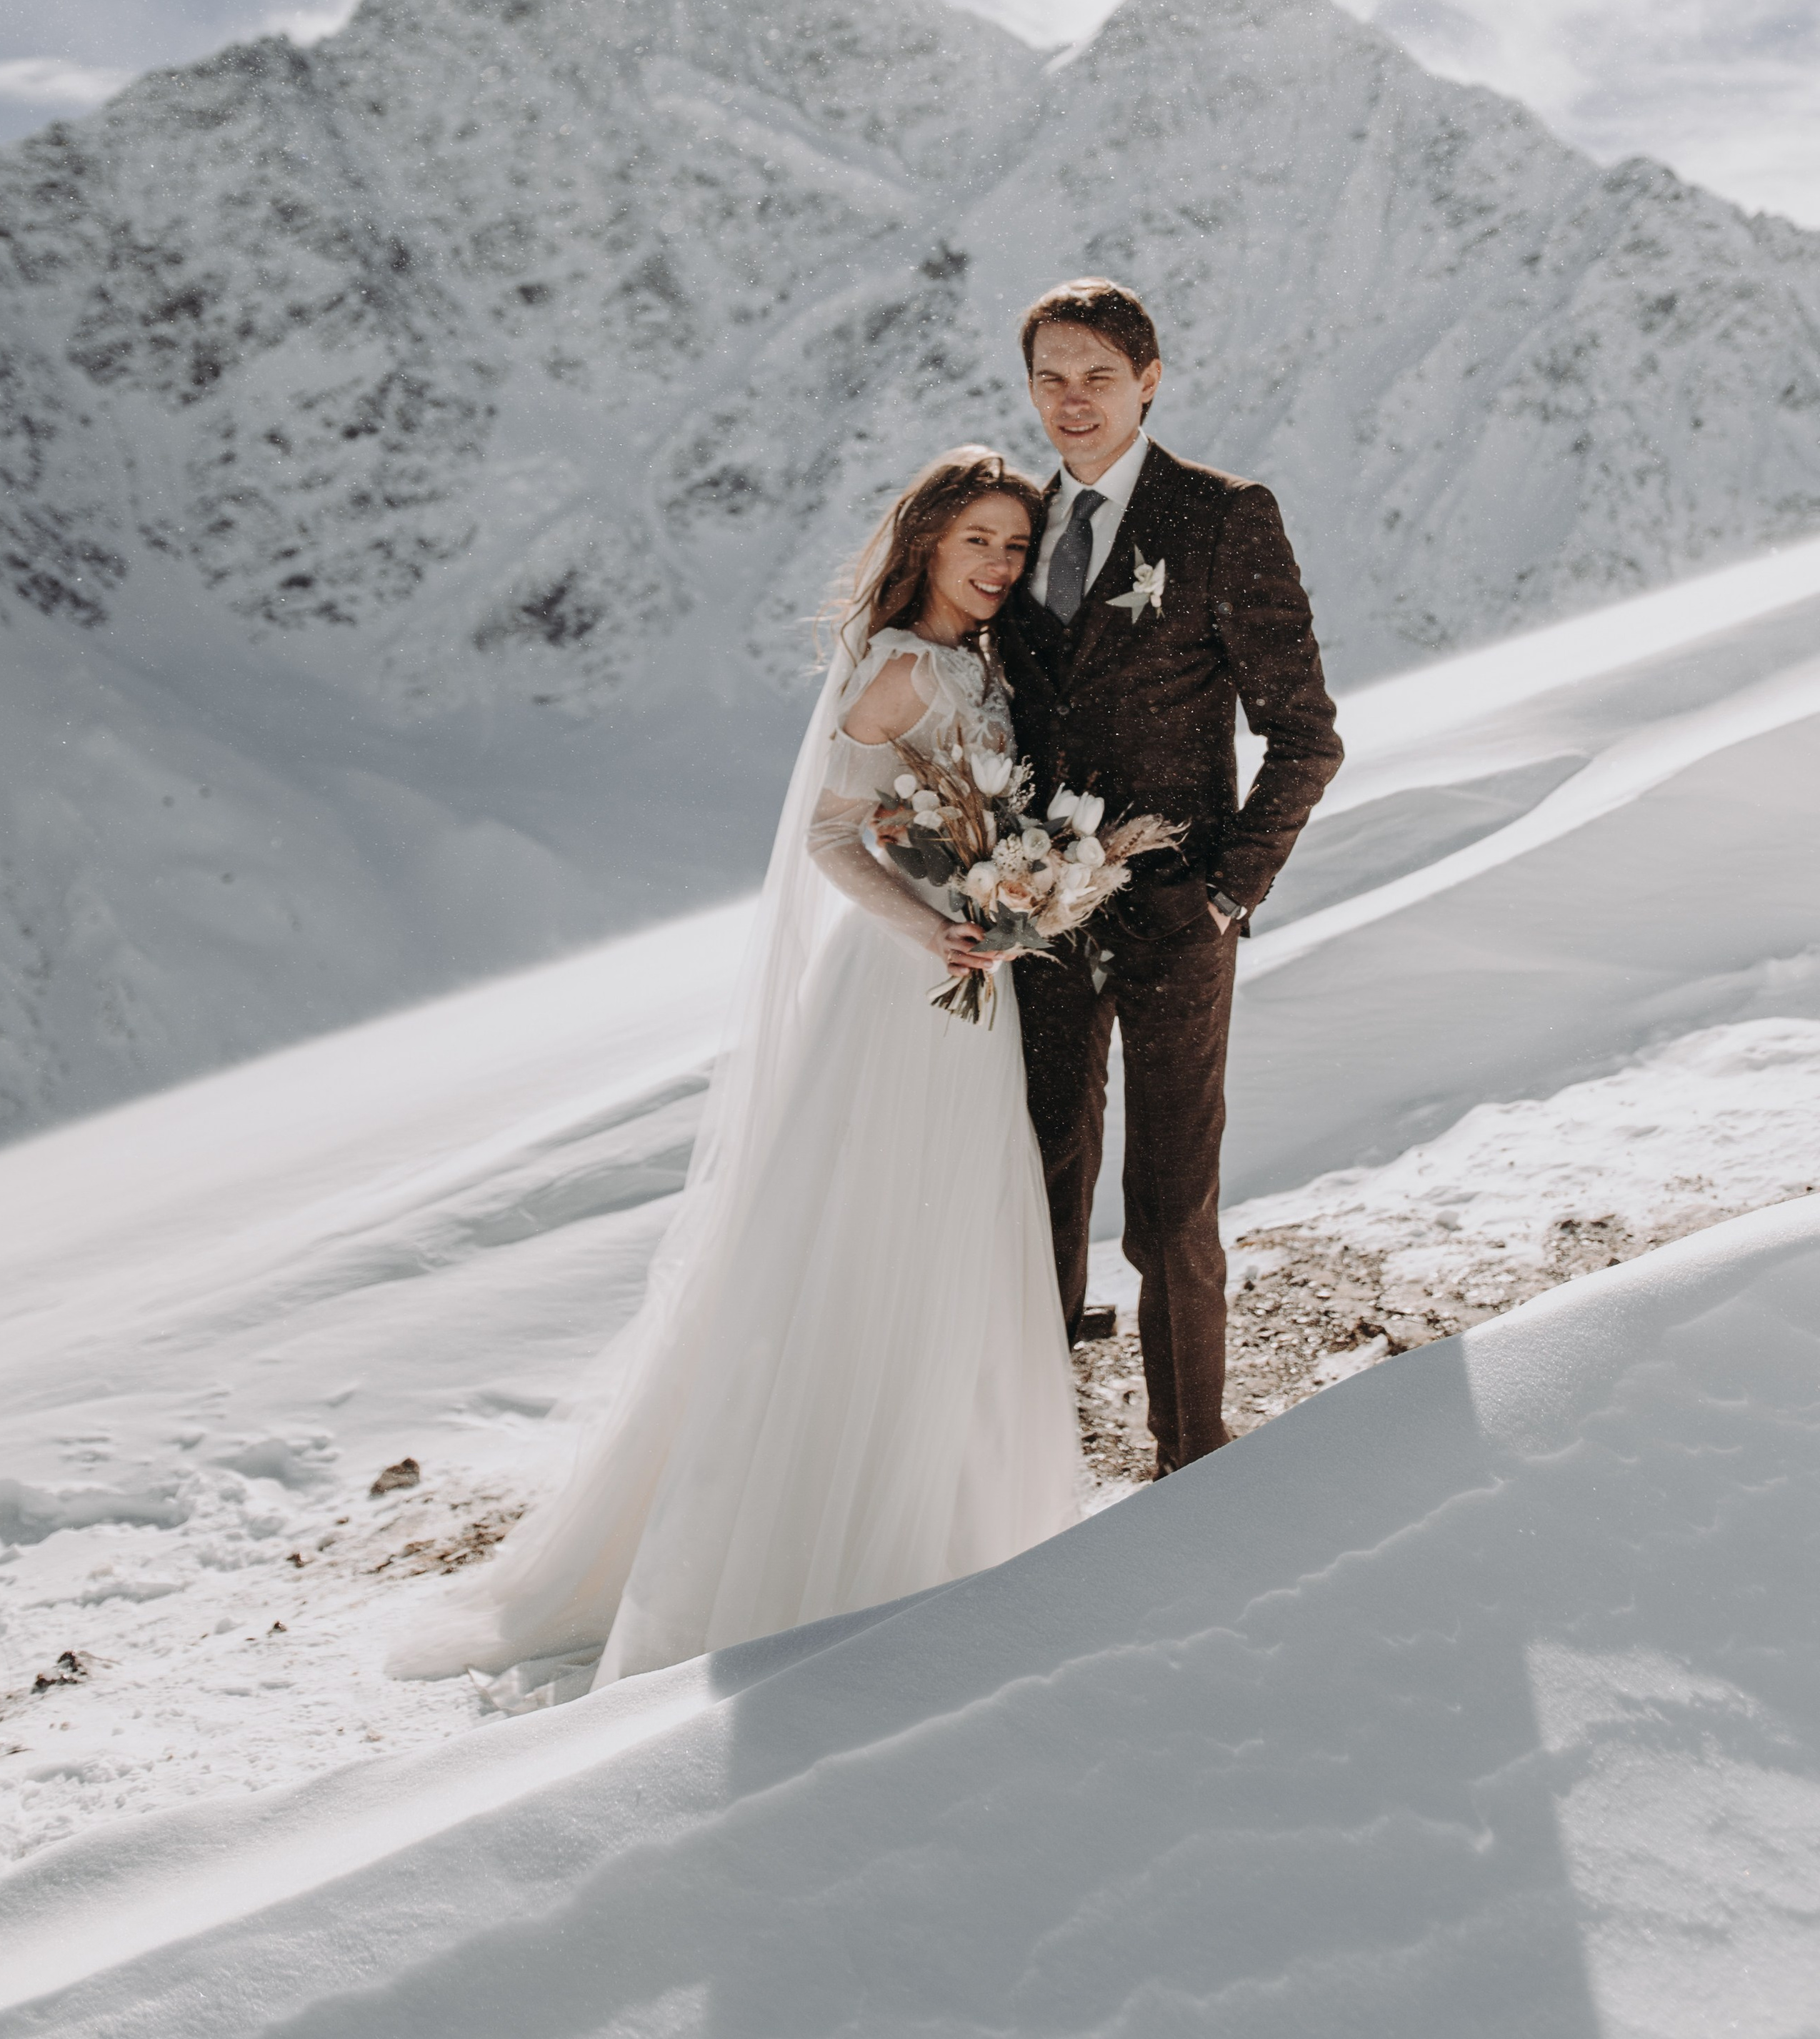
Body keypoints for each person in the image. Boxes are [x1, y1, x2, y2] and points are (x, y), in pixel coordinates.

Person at [389, 449, 1081, 1688]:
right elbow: (831, 834)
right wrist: (934, 923)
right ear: (927, 539)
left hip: (972, 981)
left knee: (958, 1232)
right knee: (869, 1238)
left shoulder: (979, 665)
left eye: (1015, 549)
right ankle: (829, 1542)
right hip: (899, 991)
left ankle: (955, 1513)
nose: (997, 567)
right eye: (979, 539)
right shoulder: (894, 672)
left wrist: (1019, 889)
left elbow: (960, 819)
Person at [996, 279, 1344, 1475]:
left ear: (1150, 380)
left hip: (1177, 916)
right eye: (1051, 376)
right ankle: (1024, 1476)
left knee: (1170, 1206)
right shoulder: (1013, 526)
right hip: (1040, 920)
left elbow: (1305, 733)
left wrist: (1226, 893)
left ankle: (1193, 1462)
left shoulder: (1222, 516)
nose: (1072, 400)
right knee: (1036, 1190)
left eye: (1098, 374)